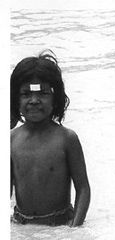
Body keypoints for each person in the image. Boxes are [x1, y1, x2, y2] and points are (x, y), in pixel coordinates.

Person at [10, 51, 90, 226]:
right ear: (15, 99)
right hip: (22, 225)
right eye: (25, 94)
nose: (34, 100)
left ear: (56, 98)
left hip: (60, 226)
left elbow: (83, 189)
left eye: (43, 93)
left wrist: (74, 229)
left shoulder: (67, 139)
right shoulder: (10, 140)